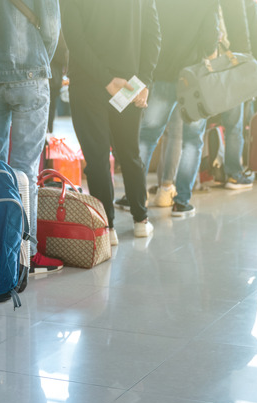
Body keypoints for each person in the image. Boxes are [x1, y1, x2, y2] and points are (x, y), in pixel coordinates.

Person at [0, 0, 63, 275]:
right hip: (30, 72)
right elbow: (51, 24)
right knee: (24, 171)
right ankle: (27, 254)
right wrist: (38, 57)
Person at [61, 0, 161, 243]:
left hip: (88, 85)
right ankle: (141, 220)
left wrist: (106, 80)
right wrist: (144, 80)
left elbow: (74, 37)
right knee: (130, 152)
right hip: (129, 84)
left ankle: (107, 228)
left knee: (97, 158)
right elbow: (153, 35)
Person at [131, 0, 218, 217]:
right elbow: (210, 44)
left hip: (161, 73)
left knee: (147, 136)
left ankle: (134, 196)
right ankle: (181, 202)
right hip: (192, 81)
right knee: (191, 140)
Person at [222, 0, 257, 184]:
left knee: (198, 124)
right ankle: (233, 173)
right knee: (234, 125)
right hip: (234, 66)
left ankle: (203, 172)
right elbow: (256, 35)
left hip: (206, 65)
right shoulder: (249, 4)